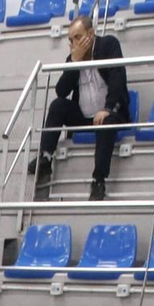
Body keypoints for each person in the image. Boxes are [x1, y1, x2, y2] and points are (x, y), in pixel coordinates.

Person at [32, 15, 130, 202]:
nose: (74, 43)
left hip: (111, 113)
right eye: (70, 40)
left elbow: (118, 79)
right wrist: (74, 63)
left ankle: (98, 180)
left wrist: (108, 108)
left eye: (78, 37)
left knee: (106, 122)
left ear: (91, 34)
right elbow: (61, 91)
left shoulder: (108, 45)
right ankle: (45, 158)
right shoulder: (74, 58)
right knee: (57, 106)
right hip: (85, 117)